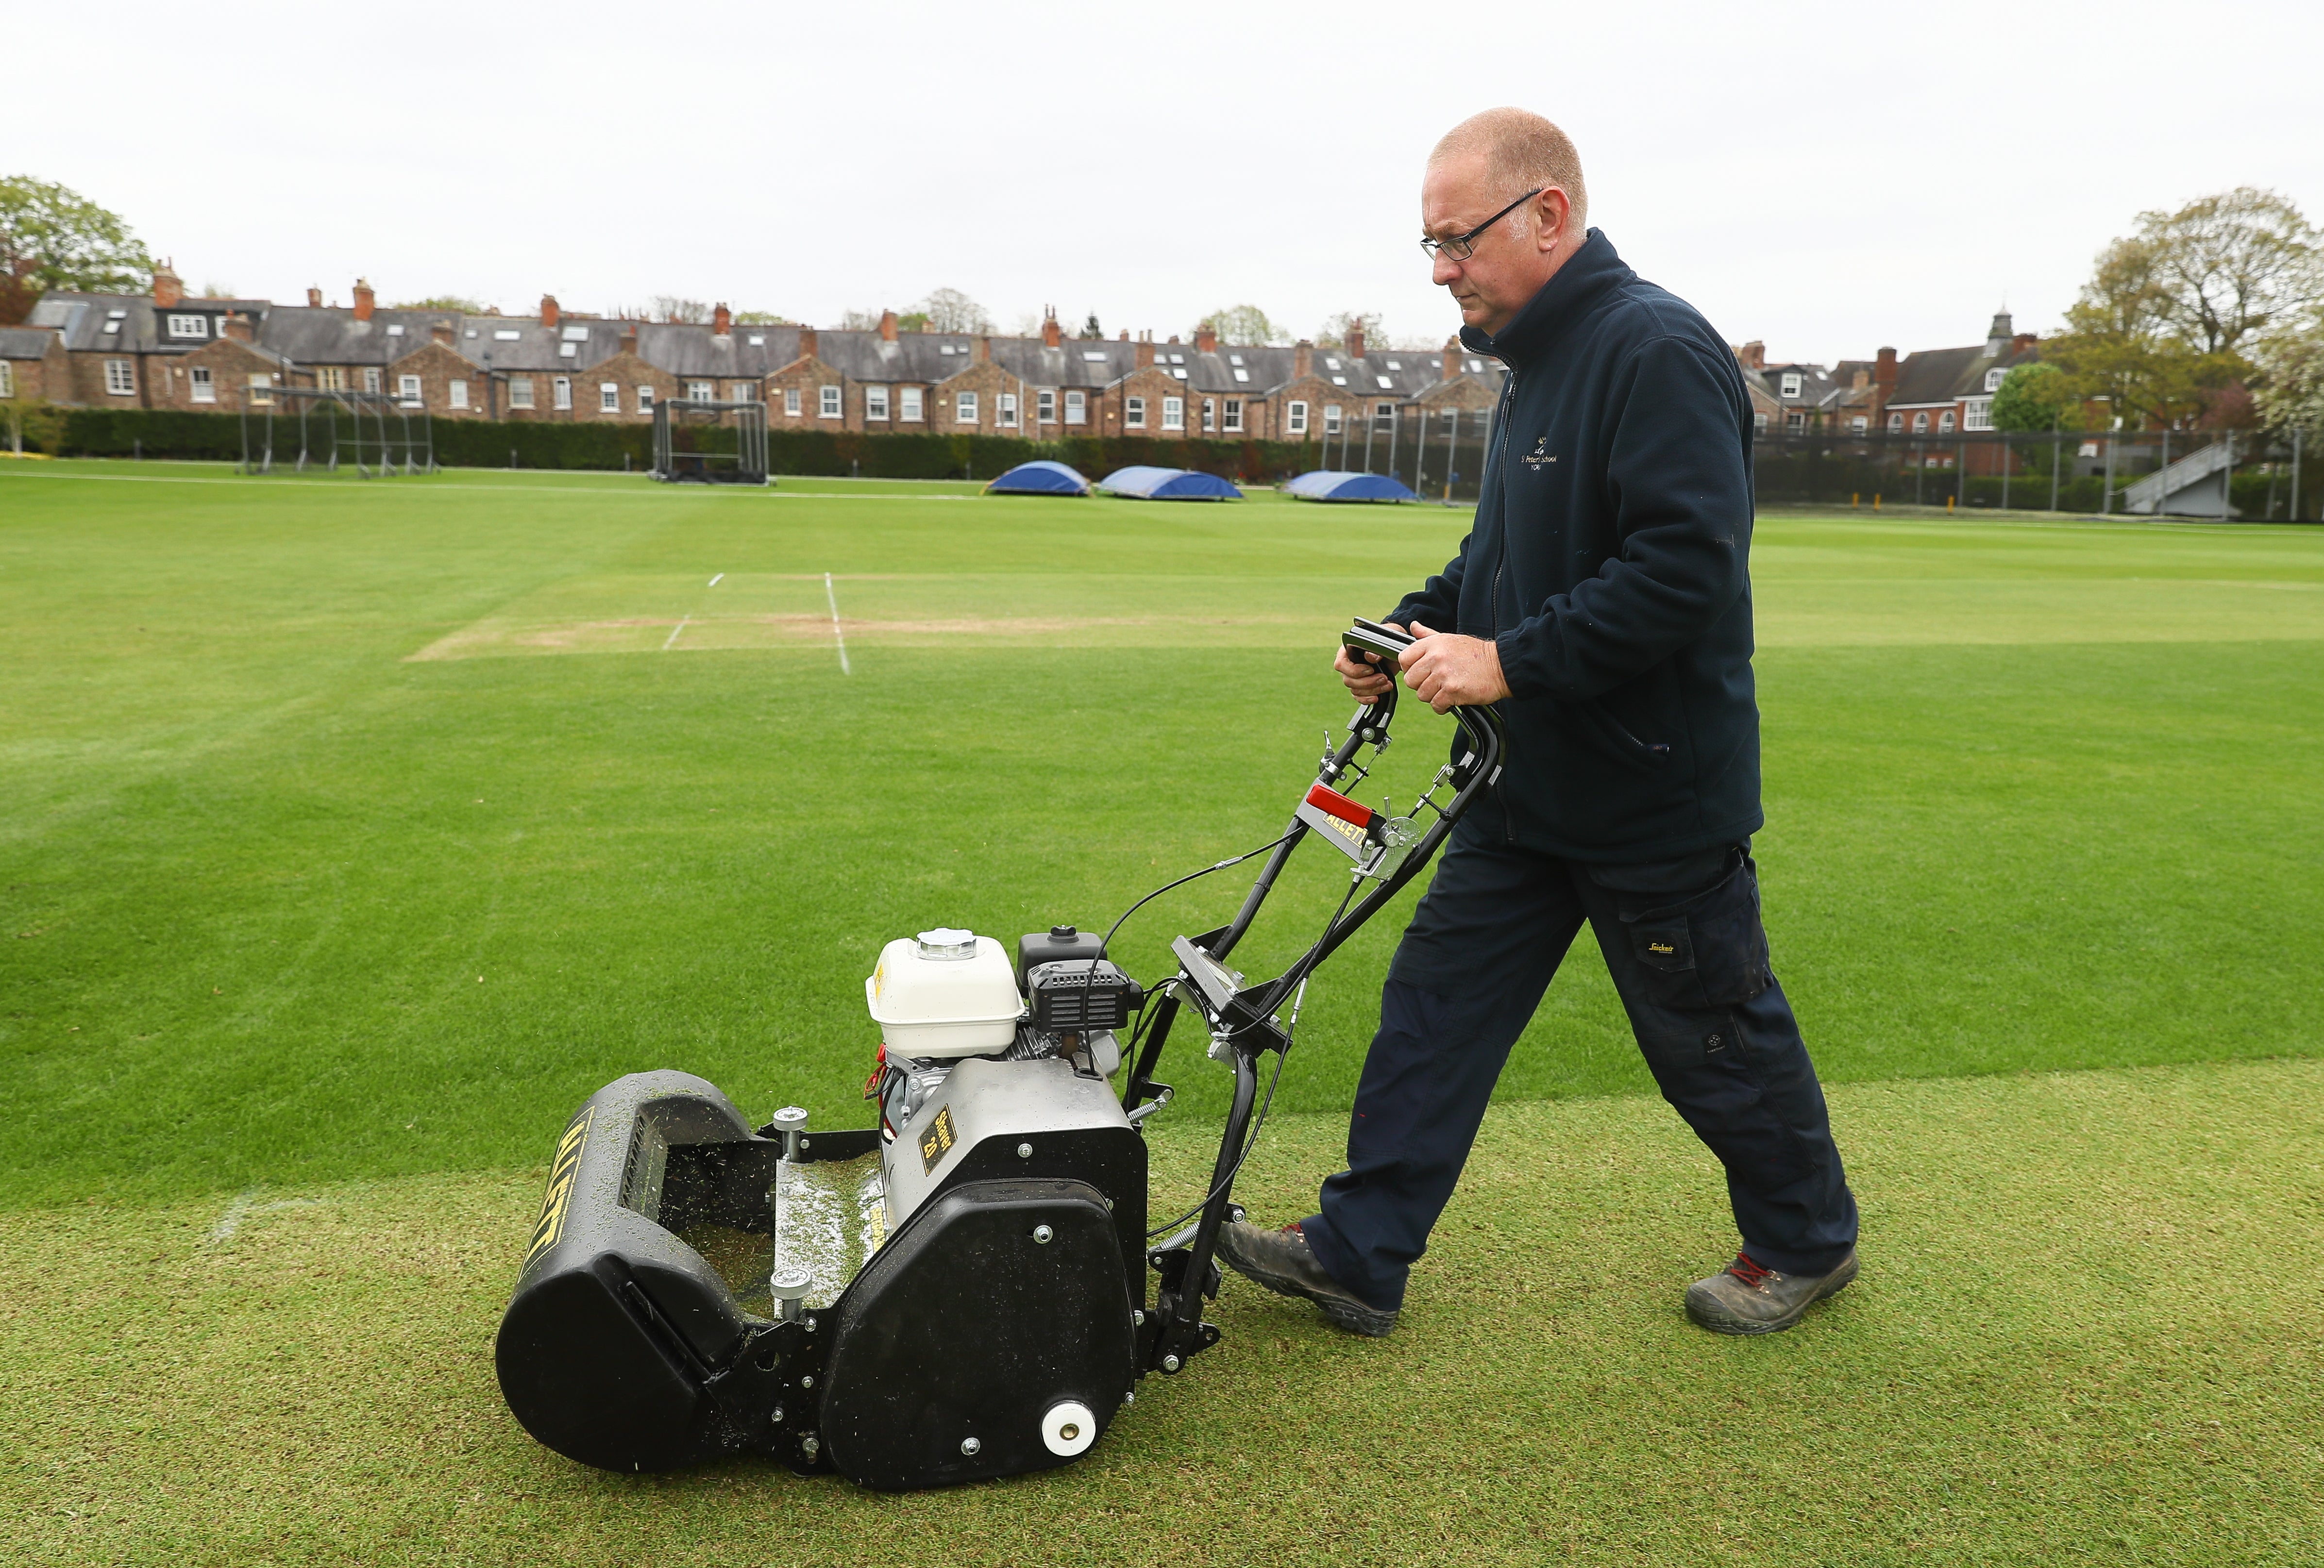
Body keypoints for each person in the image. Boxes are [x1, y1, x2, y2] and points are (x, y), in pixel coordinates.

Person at [1216, 108, 1859, 1338]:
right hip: (1519, 789)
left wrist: (1506, 660)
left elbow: (1684, 570)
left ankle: (1806, 1240)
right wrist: (1409, 631)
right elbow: (1498, 554)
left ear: (1547, 216)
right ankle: (1358, 1251)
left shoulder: (1655, 349)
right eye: (1430, 246)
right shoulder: (1530, 367)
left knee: (1710, 1037)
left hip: (1650, 792)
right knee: (1431, 1016)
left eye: (1455, 239)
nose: (1442, 268)